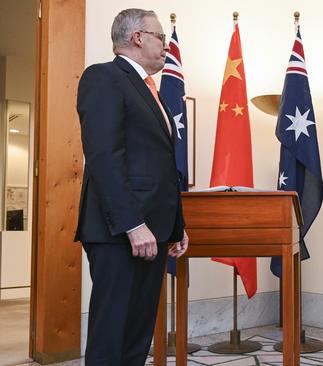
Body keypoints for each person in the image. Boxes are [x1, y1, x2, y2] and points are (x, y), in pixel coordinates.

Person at [75, 8, 189, 365]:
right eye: (161, 37)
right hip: (120, 232)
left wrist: (177, 225)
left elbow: (160, 165)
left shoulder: (147, 89)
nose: (166, 46)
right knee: (112, 336)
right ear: (138, 37)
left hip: (152, 231)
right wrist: (133, 224)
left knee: (136, 335)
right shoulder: (104, 77)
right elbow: (104, 157)